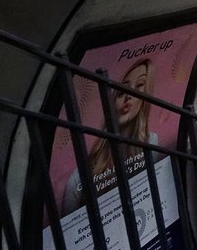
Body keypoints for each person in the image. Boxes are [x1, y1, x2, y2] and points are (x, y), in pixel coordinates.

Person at [60, 58, 158, 214]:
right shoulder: (80, 177)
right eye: (120, 92)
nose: (128, 95)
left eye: (139, 86)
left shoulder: (152, 143)